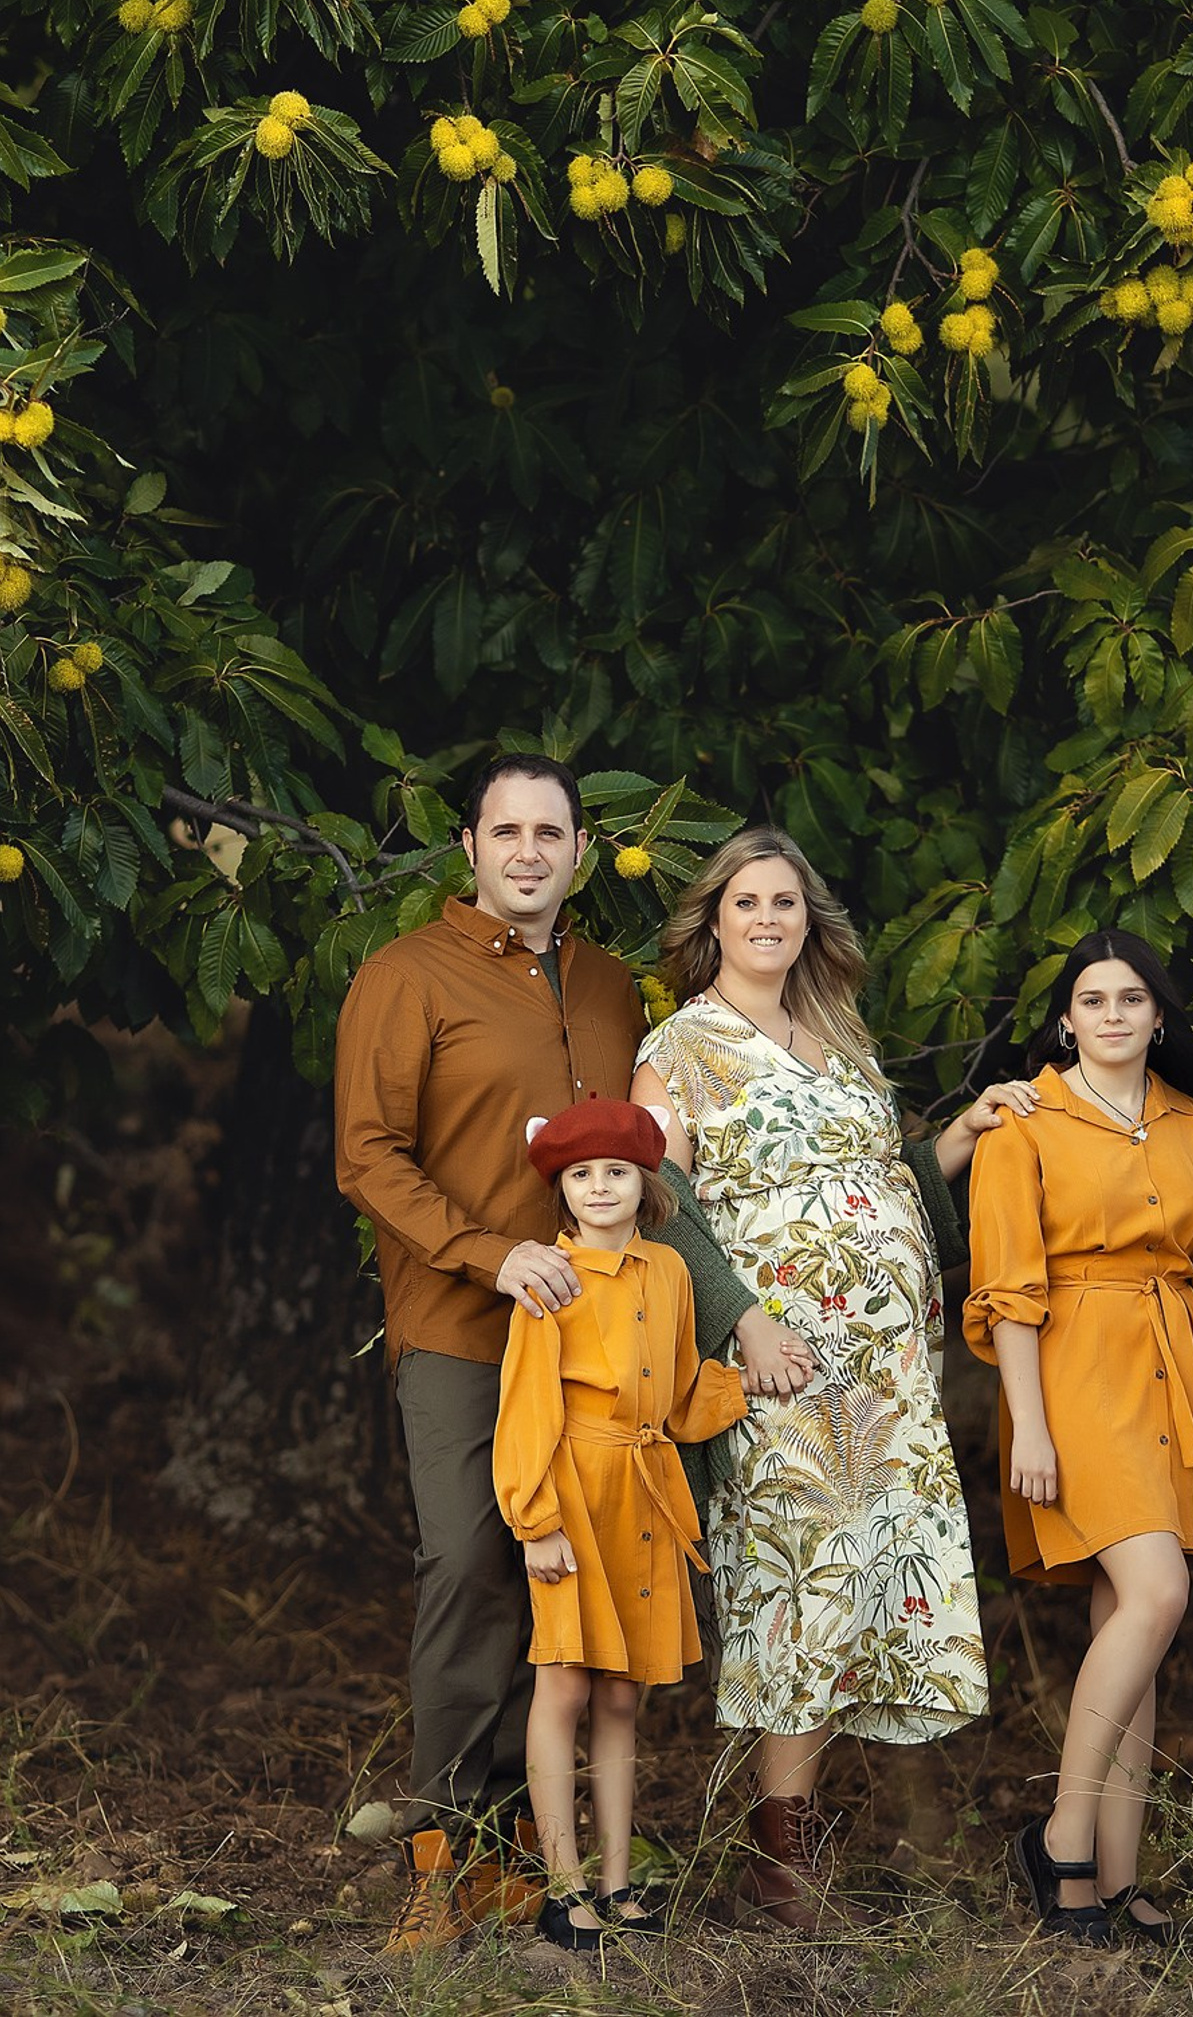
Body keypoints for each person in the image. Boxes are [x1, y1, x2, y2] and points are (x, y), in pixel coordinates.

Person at [333, 754, 804, 1950]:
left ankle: (528, 1862)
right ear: (469, 845)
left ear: (583, 852)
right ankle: (445, 1859)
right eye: (507, 831)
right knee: (471, 1562)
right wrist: (490, 1255)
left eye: (552, 832)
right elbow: (369, 1155)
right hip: (465, 1324)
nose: (529, 852)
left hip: (605, 1345)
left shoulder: (608, 985)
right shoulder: (407, 976)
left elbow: (644, 1158)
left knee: (562, 1591)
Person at [633, 827, 1034, 1929]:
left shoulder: (838, 1039)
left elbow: (881, 1184)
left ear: (810, 920)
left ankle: (841, 1838)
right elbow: (661, 1200)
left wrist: (959, 1134)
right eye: (747, 901)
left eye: (787, 902)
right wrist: (745, 1321)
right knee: (801, 1592)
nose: (768, 918)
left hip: (890, 1374)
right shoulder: (681, 1047)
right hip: (785, 1368)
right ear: (710, 920)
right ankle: (781, 1862)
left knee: (865, 1590)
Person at [962, 929, 1193, 1947]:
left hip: (1173, 1376)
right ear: (1065, 1019)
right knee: (1157, 1594)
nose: (1110, 1015)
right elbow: (1005, 1291)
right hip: (1071, 1372)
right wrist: (1030, 1424)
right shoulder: (1023, 1125)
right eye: (1091, 1000)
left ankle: (1115, 1878)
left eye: (1130, 998)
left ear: (1157, 1016)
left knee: (1129, 1632)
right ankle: (1060, 1839)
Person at [493, 1102, 748, 1950]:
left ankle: (617, 1879)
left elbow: (678, 1396)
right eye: (579, 1175)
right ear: (560, 1191)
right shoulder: (549, 1280)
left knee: (621, 1696)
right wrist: (536, 1522)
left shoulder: (668, 1273)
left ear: (647, 1182)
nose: (599, 1188)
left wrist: (745, 1386)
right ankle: (562, 1888)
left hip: (642, 1492)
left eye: (615, 1171)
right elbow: (525, 1409)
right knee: (563, 1682)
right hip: (575, 1491)